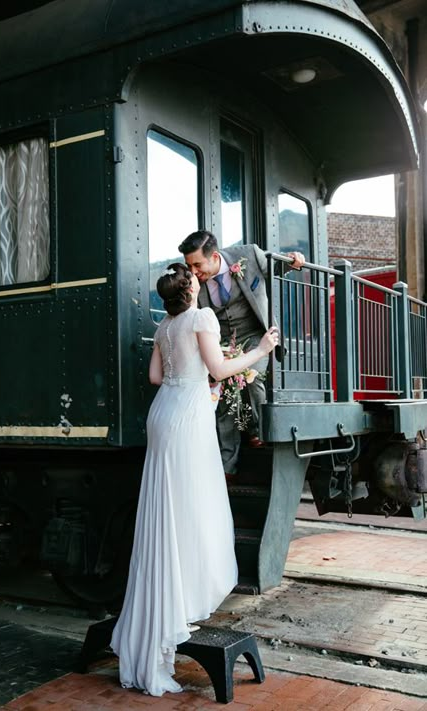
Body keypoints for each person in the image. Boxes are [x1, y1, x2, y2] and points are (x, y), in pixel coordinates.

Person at [110, 262, 279, 697]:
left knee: (166, 510)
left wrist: (196, 382)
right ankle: (178, 604)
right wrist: (260, 349)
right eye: (194, 277)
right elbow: (219, 369)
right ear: (191, 289)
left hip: (163, 413)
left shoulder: (166, 323)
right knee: (191, 510)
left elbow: (154, 376)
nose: (199, 277)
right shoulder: (200, 317)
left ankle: (163, 612)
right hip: (186, 417)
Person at [178, 230, 305, 478]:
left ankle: (257, 431)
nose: (193, 271)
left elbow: (274, 270)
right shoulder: (193, 280)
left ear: (214, 257)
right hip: (222, 342)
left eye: (197, 264)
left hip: (256, 334)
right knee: (224, 394)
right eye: (188, 265)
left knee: (253, 377)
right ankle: (228, 465)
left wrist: (293, 261)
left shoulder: (249, 255)